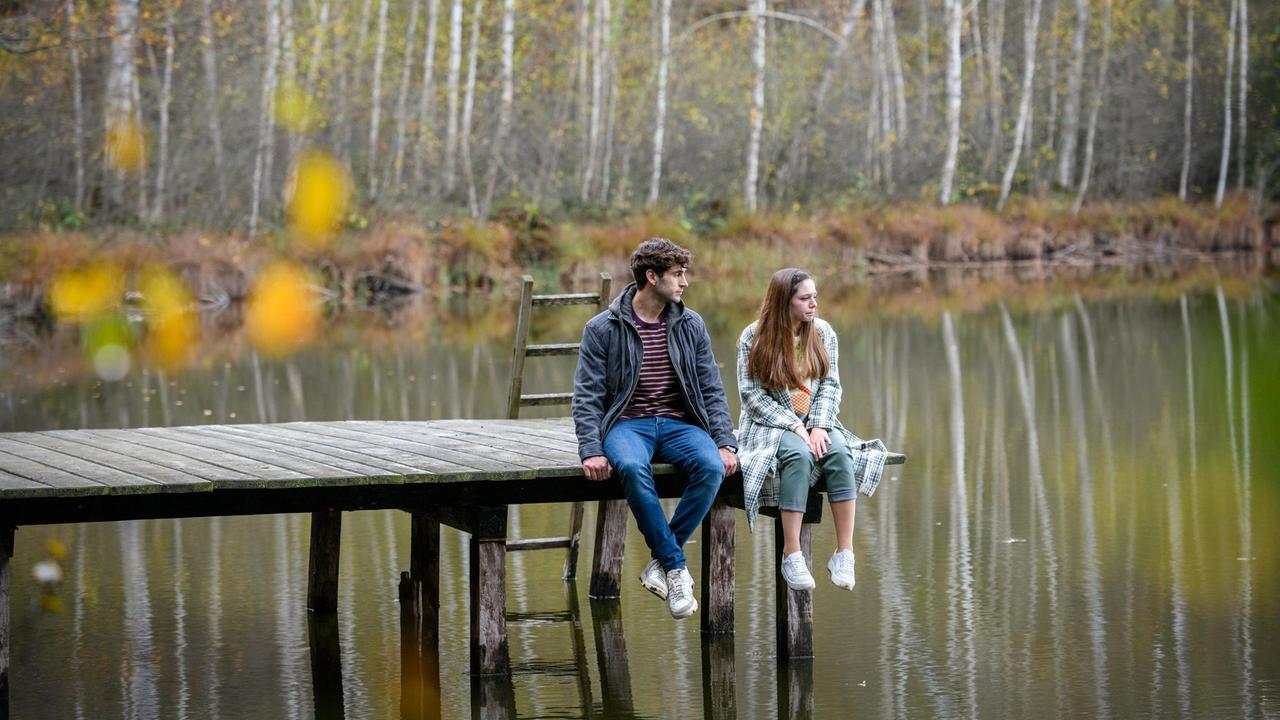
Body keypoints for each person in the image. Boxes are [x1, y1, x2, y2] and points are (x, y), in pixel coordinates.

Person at [572, 238, 739, 619]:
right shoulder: (603, 328)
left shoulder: (690, 324)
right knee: (631, 468)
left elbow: (710, 387)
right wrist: (591, 450)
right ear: (652, 276)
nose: (684, 283)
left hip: (680, 424)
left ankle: (662, 563)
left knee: (712, 466)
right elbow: (587, 396)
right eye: (678, 275)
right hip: (627, 425)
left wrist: (725, 442)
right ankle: (676, 568)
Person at [735, 268, 889, 591]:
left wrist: (819, 425)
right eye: (805, 298)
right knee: (798, 453)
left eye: (815, 297)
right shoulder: (753, 337)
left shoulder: (823, 334)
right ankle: (792, 553)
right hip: (770, 425)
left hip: (816, 420)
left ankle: (844, 551)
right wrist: (793, 424)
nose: (813, 304)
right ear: (783, 301)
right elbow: (751, 396)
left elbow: (831, 386)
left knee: (838, 452)